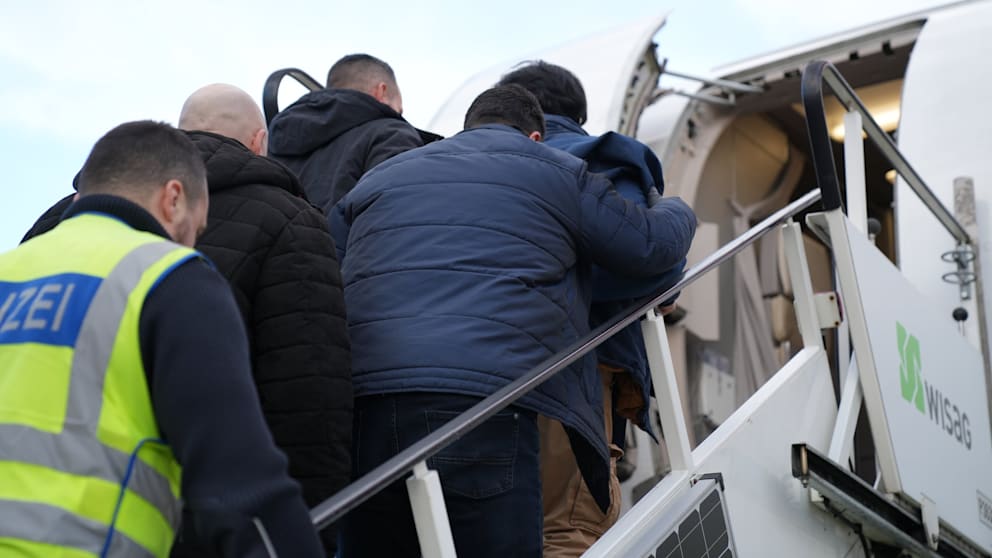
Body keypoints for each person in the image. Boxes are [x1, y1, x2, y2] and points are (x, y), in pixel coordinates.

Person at [330, 85, 696, 558]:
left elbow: (328, 277)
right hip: (480, 406)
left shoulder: (378, 180)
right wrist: (675, 207)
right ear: (535, 136)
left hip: (367, 409)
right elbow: (649, 247)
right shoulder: (552, 169)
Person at [0, 121, 323, 557]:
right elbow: (240, 486)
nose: (192, 243)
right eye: (196, 228)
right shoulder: (170, 278)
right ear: (173, 200)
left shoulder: (9, 270)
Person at [498, 60, 688, 556]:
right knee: (570, 529)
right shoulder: (598, 161)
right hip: (573, 372)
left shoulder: (469, 168)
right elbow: (641, 266)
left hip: (471, 376)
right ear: (578, 114)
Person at [173, 84, 352, 556]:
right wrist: (312, 528)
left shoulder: (66, 217)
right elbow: (310, 393)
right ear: (258, 142)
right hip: (216, 515)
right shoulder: (290, 219)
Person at [268, 53, 434, 214]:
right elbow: (398, 211)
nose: (399, 116)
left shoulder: (277, 142)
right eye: (399, 110)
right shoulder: (391, 132)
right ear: (381, 91)